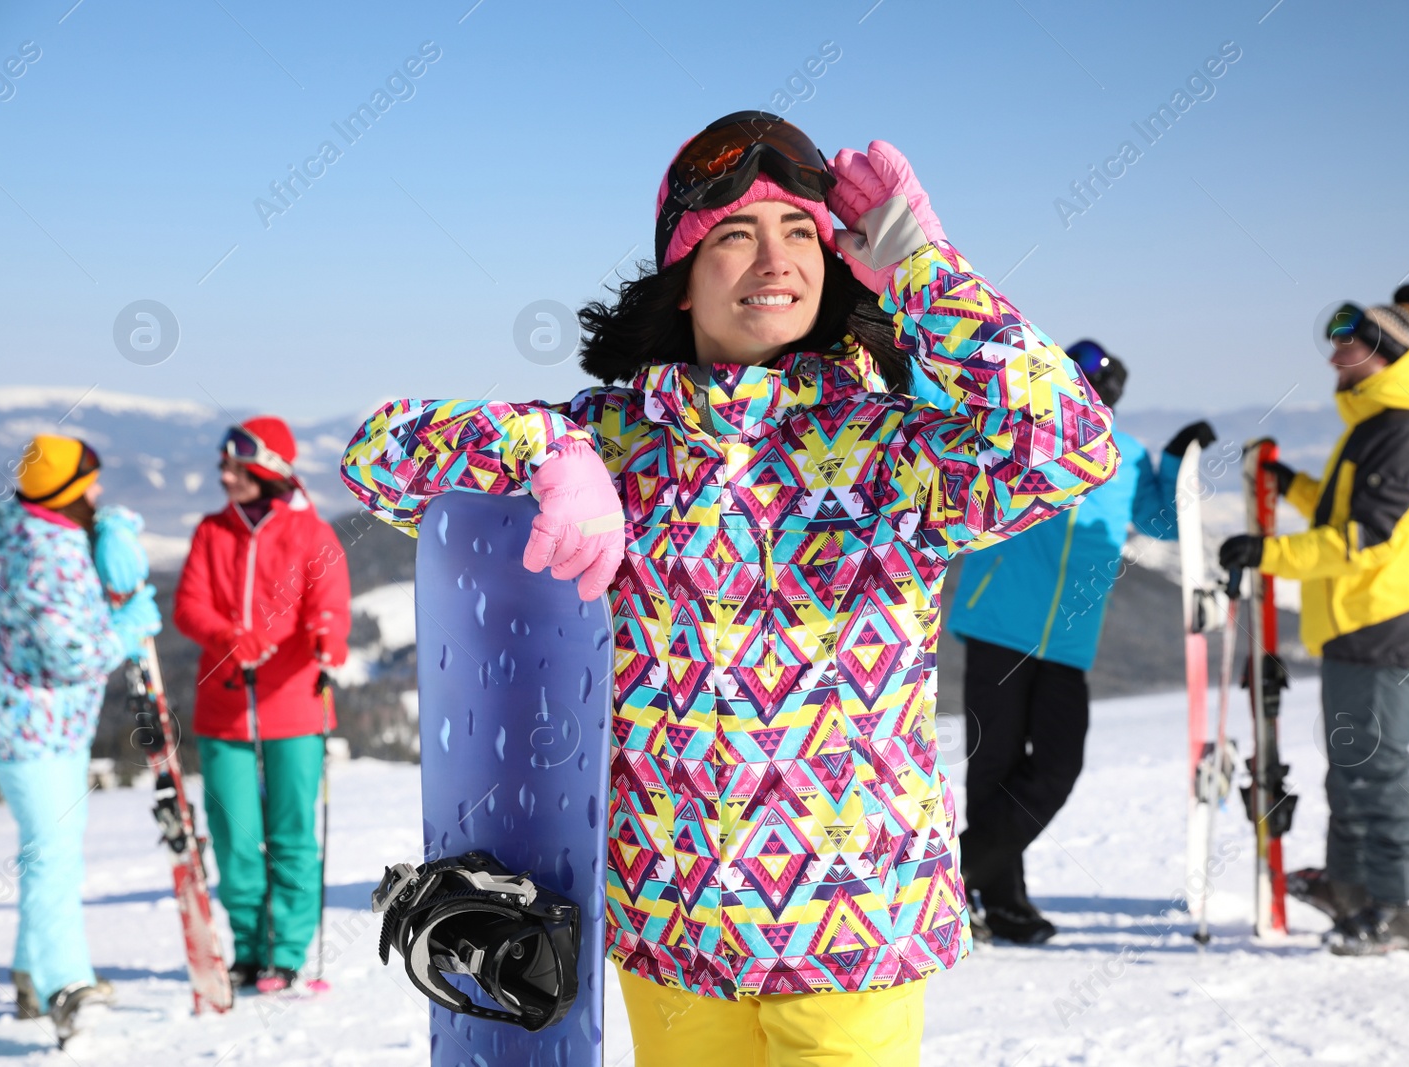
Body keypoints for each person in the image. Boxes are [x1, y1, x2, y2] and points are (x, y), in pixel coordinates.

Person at [342, 111, 1118, 1065]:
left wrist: (924, 268)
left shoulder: (894, 451)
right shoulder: (615, 441)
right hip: (669, 931)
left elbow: (1071, 443)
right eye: (735, 235)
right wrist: (541, 448)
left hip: (852, 929)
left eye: (801, 232)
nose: (774, 258)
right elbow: (377, 458)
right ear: (682, 278)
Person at [927, 340, 1214, 943]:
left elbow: (1160, 521)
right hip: (998, 625)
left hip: (1068, 640)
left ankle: (953, 877)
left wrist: (1176, 461)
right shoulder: (1019, 433)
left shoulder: (1126, 455)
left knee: (1058, 766)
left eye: (1099, 387)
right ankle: (1003, 904)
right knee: (995, 771)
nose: (1089, 395)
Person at [1218, 284, 1409, 956]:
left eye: (1344, 350)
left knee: (1378, 769)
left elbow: (1366, 537)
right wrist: (1290, 483)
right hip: (1357, 619)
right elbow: (1339, 511)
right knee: (1350, 764)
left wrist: (1269, 553)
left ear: (1379, 351)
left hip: (1385, 619)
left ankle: (1404, 903)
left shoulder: (1404, 426)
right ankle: (1352, 885)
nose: (1333, 363)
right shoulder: (1376, 425)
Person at [0, 434, 160, 1044]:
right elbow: (71, 654)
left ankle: (31, 972)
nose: (99, 492)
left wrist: (113, 535)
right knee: (52, 855)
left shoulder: (45, 535)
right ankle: (67, 985)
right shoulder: (45, 557)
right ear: (64, 495)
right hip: (32, 729)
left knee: (52, 853)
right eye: (90, 484)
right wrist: (127, 627)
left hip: (51, 725)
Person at [172, 416, 351, 991]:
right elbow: (188, 607)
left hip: (295, 704)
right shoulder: (210, 532)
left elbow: (329, 599)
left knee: (292, 832)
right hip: (224, 708)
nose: (224, 476)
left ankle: (287, 950)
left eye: (235, 466)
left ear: (267, 469)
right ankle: (249, 947)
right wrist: (229, 635)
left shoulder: (311, 534)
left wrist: (328, 635)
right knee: (233, 834)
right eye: (223, 465)